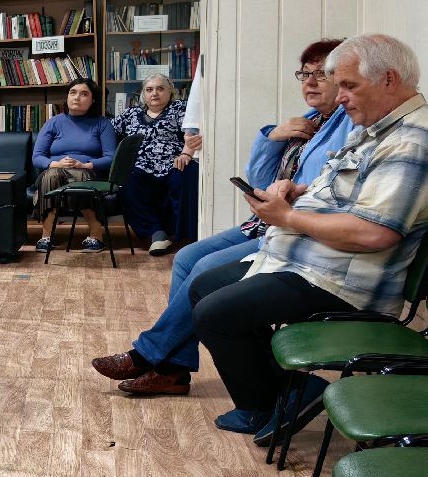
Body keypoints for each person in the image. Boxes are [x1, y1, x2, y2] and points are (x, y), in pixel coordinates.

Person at [191, 34, 428, 438]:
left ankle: (266, 402)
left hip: (342, 282)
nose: (340, 96)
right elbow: (345, 193)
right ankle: (287, 393)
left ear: (389, 79)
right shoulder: (376, 129)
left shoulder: (411, 142)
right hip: (310, 261)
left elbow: (374, 234)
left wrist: (287, 217)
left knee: (215, 314)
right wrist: (297, 192)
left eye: (349, 85)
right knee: (204, 287)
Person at [93, 40, 349, 398]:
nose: (310, 82)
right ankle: (173, 368)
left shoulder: (348, 126)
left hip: (292, 233)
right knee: (186, 257)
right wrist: (272, 136)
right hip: (265, 223)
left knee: (203, 268)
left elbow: (330, 192)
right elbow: (259, 179)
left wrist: (291, 193)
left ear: (343, 77)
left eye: (321, 74)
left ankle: (152, 356)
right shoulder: (307, 122)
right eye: (304, 74)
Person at [112, 73, 196, 254]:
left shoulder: (179, 109)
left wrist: (185, 154)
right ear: (143, 94)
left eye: (160, 88)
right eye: (149, 90)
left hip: (173, 161)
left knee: (186, 174)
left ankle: (185, 235)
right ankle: (156, 233)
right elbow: (106, 130)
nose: (154, 93)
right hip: (139, 165)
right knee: (126, 179)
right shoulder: (131, 114)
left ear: (170, 91)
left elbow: (193, 133)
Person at [31, 79, 116, 253]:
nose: (77, 97)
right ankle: (46, 236)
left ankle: (96, 235)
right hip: (54, 171)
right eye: (73, 92)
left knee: (80, 175)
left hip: (87, 173)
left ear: (93, 100)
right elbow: (37, 157)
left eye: (84, 94)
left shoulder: (102, 124)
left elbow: (111, 158)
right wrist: (55, 163)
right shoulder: (53, 123)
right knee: (52, 175)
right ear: (67, 97)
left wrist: (85, 165)